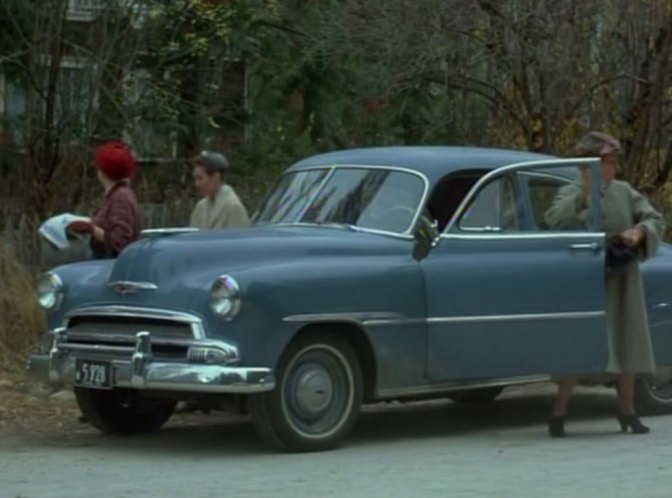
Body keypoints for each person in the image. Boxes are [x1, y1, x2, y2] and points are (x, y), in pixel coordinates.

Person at [545, 131, 665, 437]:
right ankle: (558, 413)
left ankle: (628, 411)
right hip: (587, 280)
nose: (611, 167)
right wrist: (585, 195)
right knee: (579, 344)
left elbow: (653, 218)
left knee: (628, 342)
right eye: (605, 162)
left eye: (612, 162)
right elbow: (555, 221)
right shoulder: (569, 191)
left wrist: (639, 231)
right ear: (588, 165)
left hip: (623, 276)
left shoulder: (624, 191)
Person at [67, 141, 141, 259]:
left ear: (102, 173)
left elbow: (120, 241)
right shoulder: (115, 194)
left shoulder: (121, 197)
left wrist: (92, 229)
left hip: (111, 266)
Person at [189, 150, 250, 229]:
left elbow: (238, 239)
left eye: (200, 178)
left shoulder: (233, 208)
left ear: (215, 177)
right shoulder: (200, 207)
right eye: (195, 179)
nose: (196, 183)